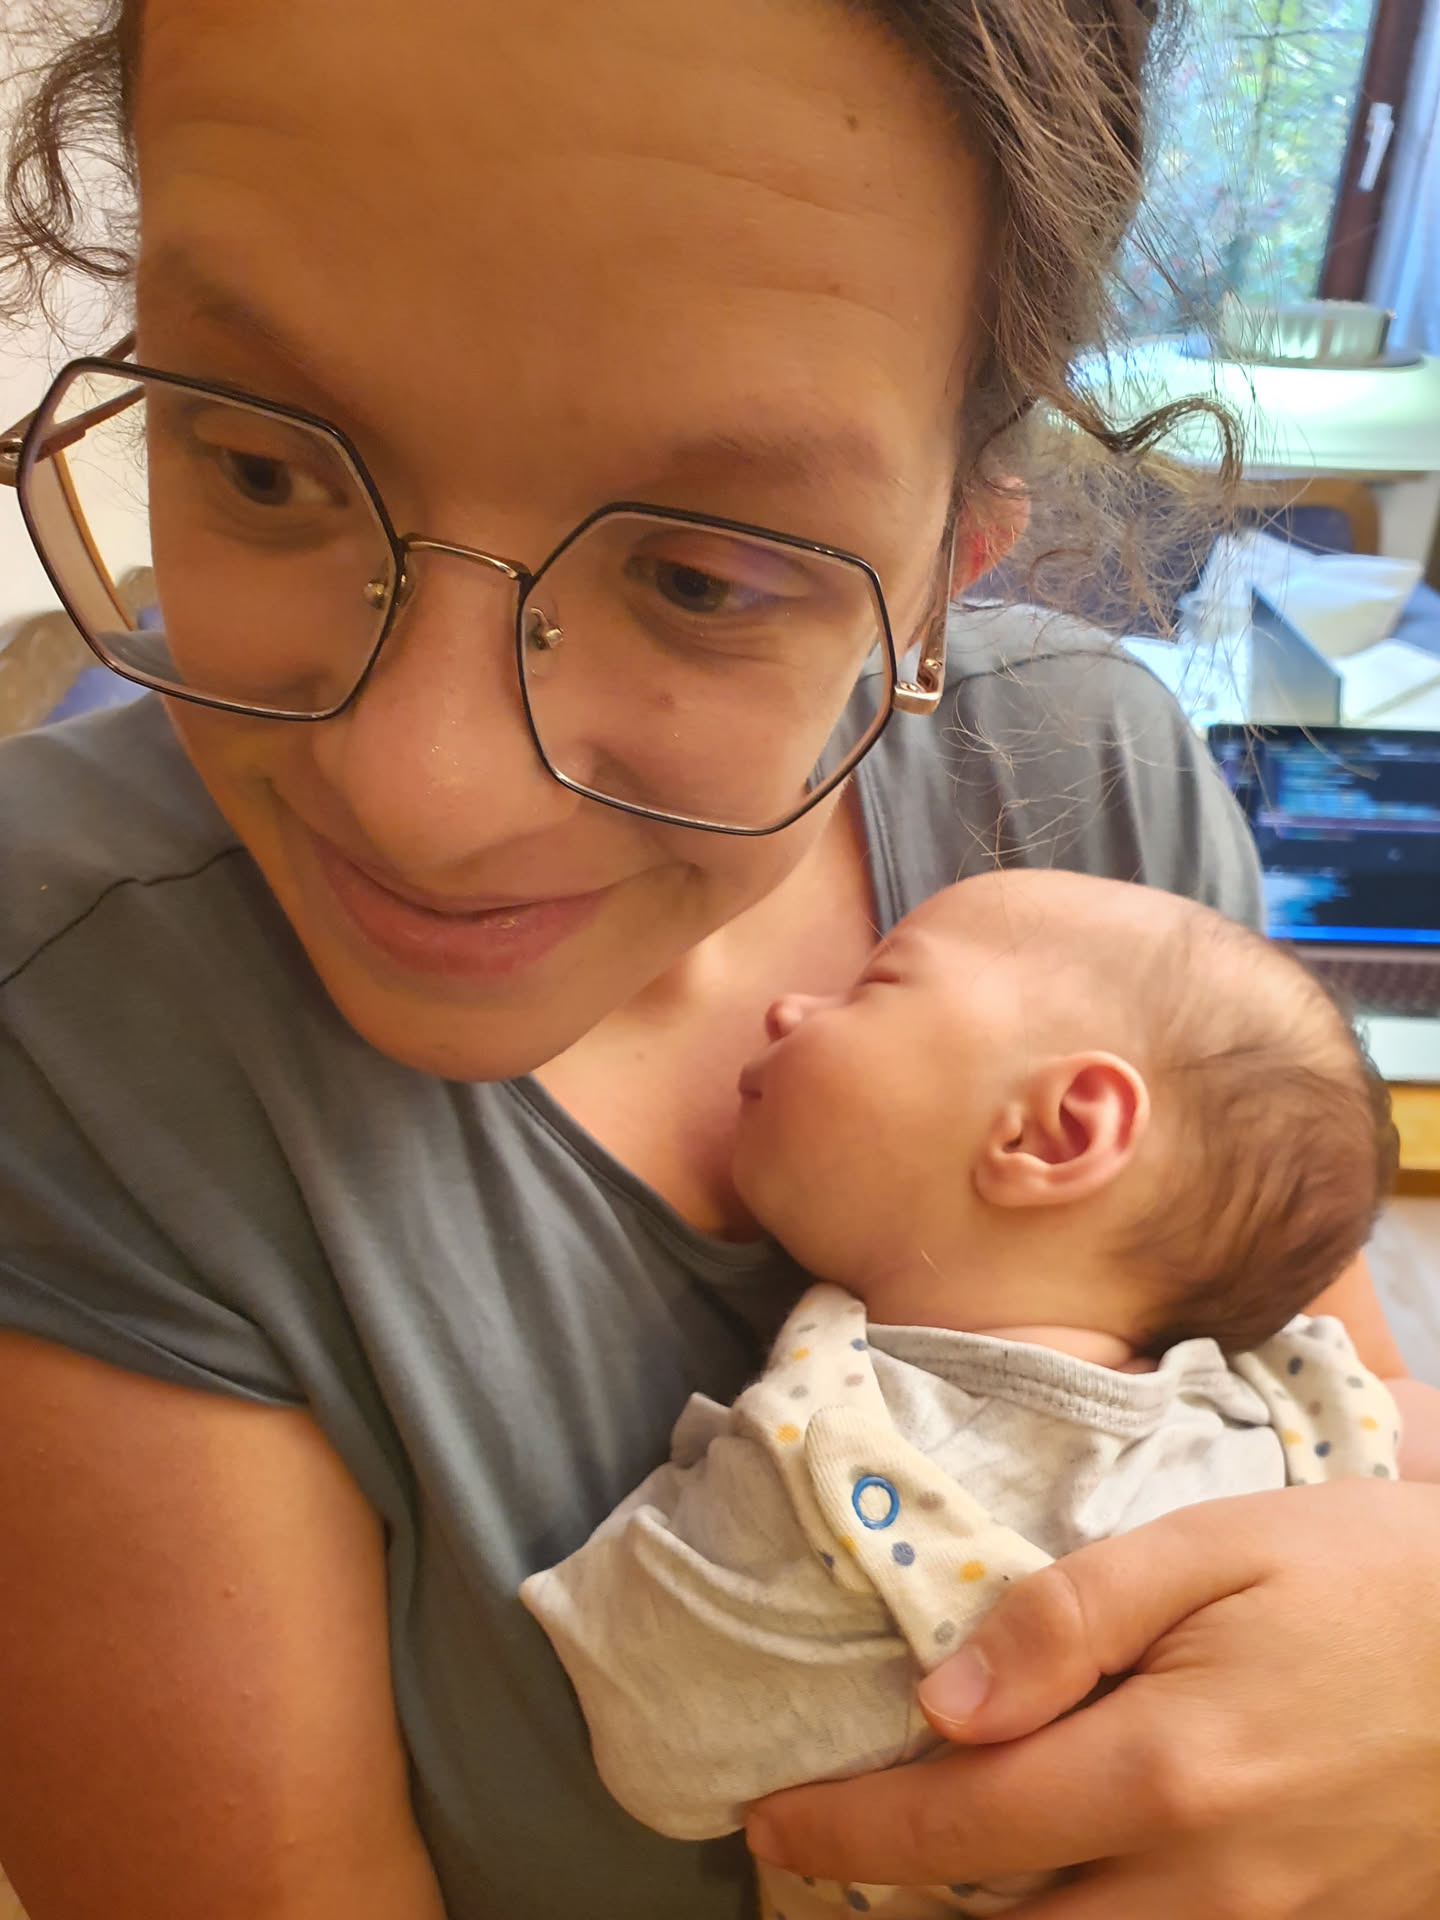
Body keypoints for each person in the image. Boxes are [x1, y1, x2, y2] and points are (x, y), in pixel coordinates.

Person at [0, 3, 1436, 1919]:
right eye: (261, 464)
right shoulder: (73, 1016)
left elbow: (1356, 1460)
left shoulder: (1081, 785)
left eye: (704, 577)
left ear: (951, 561)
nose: (421, 794)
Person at [521, 868, 1418, 1919]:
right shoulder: (1294, 1400)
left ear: (1053, 1132)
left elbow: (660, 1761)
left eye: (875, 986)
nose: (786, 1008)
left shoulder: (828, 1473)